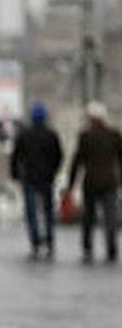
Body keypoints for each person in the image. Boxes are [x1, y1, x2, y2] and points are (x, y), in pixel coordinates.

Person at [67, 101, 122, 263]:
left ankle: (87, 247)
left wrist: (71, 184)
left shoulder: (85, 136)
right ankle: (111, 248)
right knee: (110, 217)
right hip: (110, 181)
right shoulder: (114, 135)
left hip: (90, 181)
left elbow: (77, 161)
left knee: (88, 217)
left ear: (91, 118)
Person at [10, 103, 63, 259]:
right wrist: (54, 171)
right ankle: (50, 240)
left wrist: (15, 174)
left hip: (29, 178)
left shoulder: (24, 134)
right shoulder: (51, 134)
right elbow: (59, 155)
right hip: (47, 178)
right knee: (48, 211)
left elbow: (15, 156)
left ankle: (35, 241)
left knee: (31, 212)